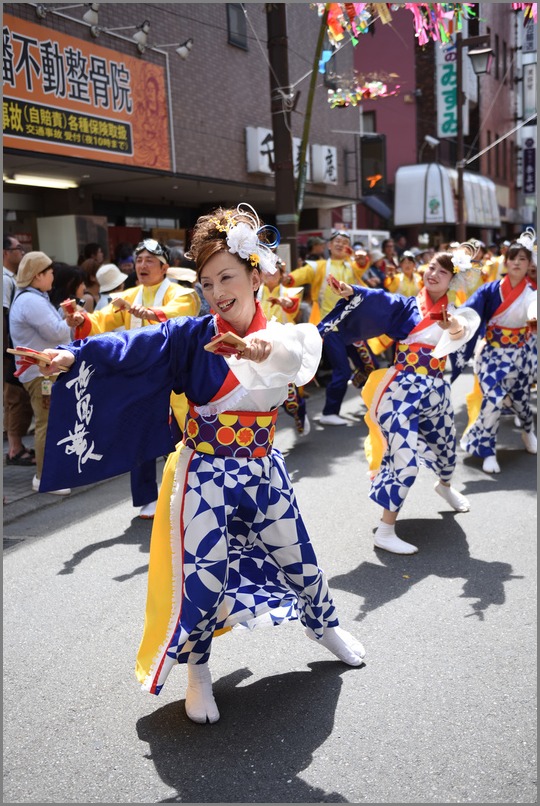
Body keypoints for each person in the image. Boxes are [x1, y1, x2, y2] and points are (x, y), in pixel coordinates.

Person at [37, 203, 366, 724]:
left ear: (255, 275)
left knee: (299, 558)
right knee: (204, 579)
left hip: (262, 467)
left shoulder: (283, 334)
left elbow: (287, 351)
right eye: (208, 283)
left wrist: (252, 348)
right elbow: (134, 344)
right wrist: (75, 356)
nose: (216, 293)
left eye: (227, 278)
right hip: (205, 470)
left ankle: (322, 624)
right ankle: (198, 672)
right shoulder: (191, 336)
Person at [318, 248, 481, 555]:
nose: (433, 274)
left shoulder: (454, 311)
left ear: (452, 280)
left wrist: (451, 327)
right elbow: (380, 299)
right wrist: (353, 291)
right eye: (432, 267)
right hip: (400, 388)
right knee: (404, 457)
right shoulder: (407, 306)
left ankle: (444, 486)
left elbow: (462, 331)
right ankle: (386, 529)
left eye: (442, 272)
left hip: (435, 389)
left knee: (446, 450)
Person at [64, 239, 201, 519]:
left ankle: (186, 491)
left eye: (150, 260)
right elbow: (101, 319)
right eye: (139, 260)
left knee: (180, 439)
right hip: (139, 381)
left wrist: (145, 313)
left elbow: (181, 314)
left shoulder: (181, 293)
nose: (142, 265)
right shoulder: (128, 296)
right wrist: (82, 321)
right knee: (139, 439)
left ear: (164, 267)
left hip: (174, 381)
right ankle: (147, 498)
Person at [458, 229, 537, 473]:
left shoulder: (532, 292)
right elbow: (468, 311)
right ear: (505, 260)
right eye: (512, 257)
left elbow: (534, 309)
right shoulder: (490, 290)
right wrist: (456, 321)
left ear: (529, 265)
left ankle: (528, 431)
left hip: (519, 355)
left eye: (522, 259)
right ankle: (488, 450)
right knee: (492, 401)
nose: (516, 262)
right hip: (491, 353)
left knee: (523, 403)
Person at [283, 231, 371, 425]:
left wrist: (362, 258)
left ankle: (369, 396)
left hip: (353, 327)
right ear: (329, 246)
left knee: (369, 365)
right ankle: (329, 412)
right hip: (331, 328)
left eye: (345, 242)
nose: (340, 244)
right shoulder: (320, 266)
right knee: (342, 371)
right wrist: (288, 279)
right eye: (337, 241)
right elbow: (299, 276)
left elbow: (362, 265)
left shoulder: (352, 266)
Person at [8, 251, 72, 494]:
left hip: (41, 371)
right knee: (47, 423)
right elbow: (57, 332)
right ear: (38, 276)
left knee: (50, 421)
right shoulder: (31, 301)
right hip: (40, 373)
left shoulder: (33, 297)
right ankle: (44, 477)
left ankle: (48, 474)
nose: (53, 275)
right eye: (50, 271)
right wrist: (71, 320)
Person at [257, 256, 310, 435]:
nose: (270, 274)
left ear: (281, 274)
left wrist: (285, 304)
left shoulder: (290, 292)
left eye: (274, 271)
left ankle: (299, 415)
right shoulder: (253, 293)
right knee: (259, 394)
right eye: (266, 270)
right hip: (260, 347)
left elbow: (293, 307)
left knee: (290, 397)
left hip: (285, 347)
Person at [3, 236, 35, 467]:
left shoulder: (12, 277)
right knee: (14, 398)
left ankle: (18, 445)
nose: (21, 253)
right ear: (5, 252)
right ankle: (14, 448)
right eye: (18, 249)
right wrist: (7, 349)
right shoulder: (4, 279)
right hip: (9, 349)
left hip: (15, 347)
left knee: (20, 399)